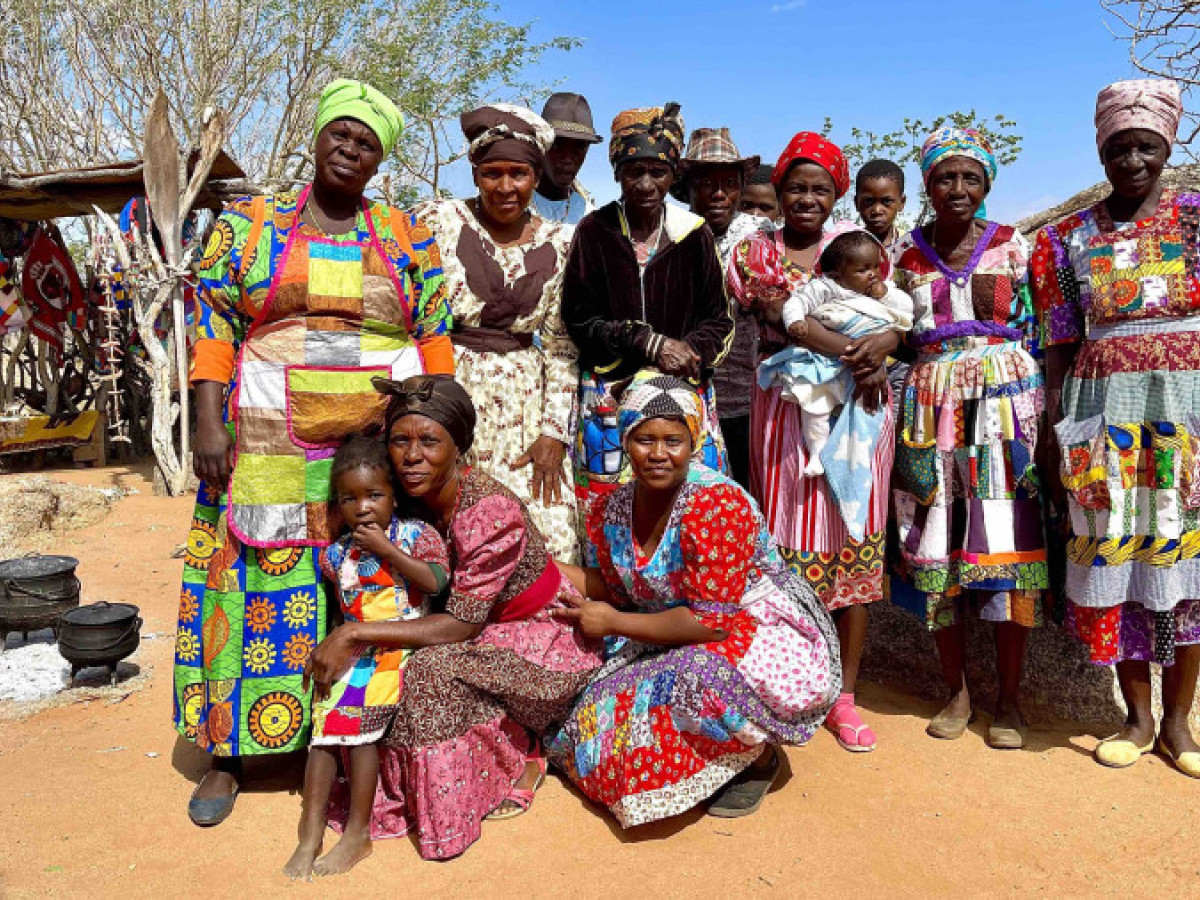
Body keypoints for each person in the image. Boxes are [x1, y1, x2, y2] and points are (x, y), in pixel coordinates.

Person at [174, 79, 453, 827]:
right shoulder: (252, 223)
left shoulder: (403, 231)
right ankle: (231, 753)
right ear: (318, 136)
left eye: (367, 143)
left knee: (369, 585)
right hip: (267, 441)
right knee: (259, 584)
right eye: (341, 134)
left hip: (375, 450)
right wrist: (208, 422)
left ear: (377, 159)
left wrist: (441, 422)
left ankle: (355, 747)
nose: (351, 149)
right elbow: (213, 322)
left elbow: (432, 329)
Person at [306, 375, 601, 859]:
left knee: (423, 673)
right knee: (390, 670)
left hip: (539, 636)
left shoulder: (487, 510)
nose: (412, 455)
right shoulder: (406, 499)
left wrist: (353, 632)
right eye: (400, 440)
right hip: (479, 627)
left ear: (459, 446)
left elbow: (461, 625)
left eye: (429, 441)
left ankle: (514, 756)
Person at [548, 375, 841, 825]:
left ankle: (758, 758)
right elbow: (619, 589)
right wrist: (541, 568)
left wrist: (612, 623)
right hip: (668, 622)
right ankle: (712, 758)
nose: (659, 454)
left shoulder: (716, 504)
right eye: (645, 439)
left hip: (756, 628)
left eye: (674, 441)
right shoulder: (611, 508)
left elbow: (711, 623)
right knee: (594, 713)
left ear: (695, 442)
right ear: (626, 440)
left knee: (696, 680)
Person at [1033, 78, 1200, 777]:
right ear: (1102, 151)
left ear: (1167, 146)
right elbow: (1059, 347)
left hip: (1188, 419)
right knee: (1124, 561)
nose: (1132, 161)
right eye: (1119, 149)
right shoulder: (1065, 241)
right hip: (1104, 424)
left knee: (1187, 564)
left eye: (1146, 148)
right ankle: (1134, 719)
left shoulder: (1197, 222)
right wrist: (1050, 426)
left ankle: (1181, 725)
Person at [728, 132, 896, 753]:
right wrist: (863, 350)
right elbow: (779, 316)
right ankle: (794, 682)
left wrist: (888, 346)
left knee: (854, 538)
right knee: (790, 543)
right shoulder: (753, 252)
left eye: (819, 188)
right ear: (777, 191)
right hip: (783, 407)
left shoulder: (859, 249)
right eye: (795, 187)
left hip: (861, 410)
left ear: (838, 194)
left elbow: (898, 318)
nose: (805, 198)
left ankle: (844, 695)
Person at [890, 126, 1046, 750]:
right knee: (935, 541)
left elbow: (1036, 326)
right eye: (943, 177)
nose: (957, 188)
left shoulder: (1013, 246)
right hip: (929, 409)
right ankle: (954, 689)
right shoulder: (903, 254)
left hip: (1006, 410)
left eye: (970, 177)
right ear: (926, 184)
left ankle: (1008, 698)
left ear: (987, 184)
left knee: (1010, 545)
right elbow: (891, 330)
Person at [415, 103, 581, 562]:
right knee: (454, 531)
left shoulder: (563, 242)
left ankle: (541, 634)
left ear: (536, 175)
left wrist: (553, 434)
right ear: (474, 173)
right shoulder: (437, 222)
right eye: (493, 173)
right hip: (451, 393)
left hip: (527, 407)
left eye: (519, 173)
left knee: (551, 536)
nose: (506, 187)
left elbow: (563, 347)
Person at [563, 102, 734, 529]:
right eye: (632, 171)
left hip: (682, 391)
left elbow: (720, 321)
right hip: (609, 393)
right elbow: (580, 319)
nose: (645, 184)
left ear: (673, 174)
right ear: (617, 172)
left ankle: (685, 591)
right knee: (612, 509)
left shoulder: (693, 234)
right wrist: (650, 343)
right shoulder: (595, 231)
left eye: (657, 172)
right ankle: (615, 590)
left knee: (689, 508)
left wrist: (688, 355)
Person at [284, 436, 448, 879]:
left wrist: (389, 552)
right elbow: (343, 610)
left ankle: (358, 831)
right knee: (322, 729)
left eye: (374, 495)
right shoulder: (337, 555)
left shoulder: (416, 535)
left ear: (394, 494)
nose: (363, 508)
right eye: (350, 499)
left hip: (401, 646)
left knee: (358, 727)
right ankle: (310, 830)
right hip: (360, 652)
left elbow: (435, 582)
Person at [761, 225, 913, 477]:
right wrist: (795, 321)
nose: (872, 275)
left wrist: (886, 296)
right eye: (863, 270)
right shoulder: (828, 288)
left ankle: (855, 464)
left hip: (870, 371)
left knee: (859, 419)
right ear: (838, 275)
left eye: (875, 267)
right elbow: (797, 302)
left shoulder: (882, 291)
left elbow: (906, 310)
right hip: (827, 361)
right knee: (816, 403)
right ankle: (818, 452)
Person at [675, 127, 768, 491]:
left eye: (728, 183)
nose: (718, 194)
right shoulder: (670, 234)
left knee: (747, 490)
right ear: (687, 187)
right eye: (706, 183)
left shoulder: (759, 237)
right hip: (687, 387)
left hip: (748, 393)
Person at [531, 92, 603, 227]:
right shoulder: (511, 208)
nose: (567, 158)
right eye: (557, 145)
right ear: (541, 144)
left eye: (579, 147)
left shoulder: (591, 222)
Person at [854, 159, 907, 254]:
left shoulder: (910, 246)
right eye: (868, 201)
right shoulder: (849, 249)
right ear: (856, 203)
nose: (877, 210)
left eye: (886, 201)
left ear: (901, 203)